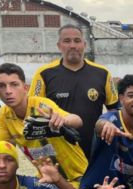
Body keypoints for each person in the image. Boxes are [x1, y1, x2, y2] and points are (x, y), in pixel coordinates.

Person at [0, 62, 88, 189]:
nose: (8, 91)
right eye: (2, 86)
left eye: (14, 84)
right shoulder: (4, 114)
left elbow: (77, 120)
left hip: (77, 177)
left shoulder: (40, 105)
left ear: (25, 88)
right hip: (45, 179)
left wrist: (63, 119)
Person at [29, 24, 118, 158]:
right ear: (59, 46)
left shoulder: (103, 73)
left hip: (94, 149)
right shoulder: (43, 74)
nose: (72, 45)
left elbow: (114, 109)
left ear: (84, 44)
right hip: (59, 152)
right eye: (67, 41)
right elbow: (32, 111)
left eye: (77, 40)